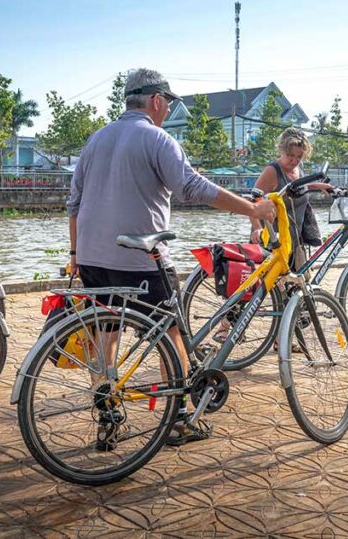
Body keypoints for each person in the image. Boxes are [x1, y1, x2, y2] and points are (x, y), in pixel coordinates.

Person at [67, 68, 277, 448]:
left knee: (105, 332)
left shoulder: (95, 140)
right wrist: (251, 209)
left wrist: (74, 254)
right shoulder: (157, 138)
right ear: (157, 101)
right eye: (167, 105)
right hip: (137, 259)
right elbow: (192, 187)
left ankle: (108, 413)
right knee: (172, 333)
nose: (166, 112)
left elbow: (74, 204)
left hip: (92, 256)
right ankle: (181, 418)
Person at [248, 127, 333, 267]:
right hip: (271, 242)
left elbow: (295, 188)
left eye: (299, 157)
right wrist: (257, 227)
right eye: (290, 155)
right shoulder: (272, 171)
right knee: (266, 286)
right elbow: (253, 201)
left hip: (293, 241)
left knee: (294, 285)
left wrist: (318, 186)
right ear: (282, 150)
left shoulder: (299, 169)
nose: (294, 160)